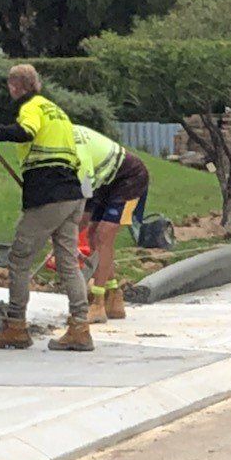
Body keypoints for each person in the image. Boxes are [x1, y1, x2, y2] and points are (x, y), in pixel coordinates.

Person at [0, 64, 93, 351]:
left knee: (19, 259)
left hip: (48, 196)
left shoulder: (30, 107)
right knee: (68, 263)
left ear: (16, 87)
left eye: (10, 86)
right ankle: (80, 326)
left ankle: (15, 326)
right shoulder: (56, 111)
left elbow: (26, 132)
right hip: (73, 195)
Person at [73, 124, 150, 324]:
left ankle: (98, 303)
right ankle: (114, 296)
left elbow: (85, 183)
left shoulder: (74, 142)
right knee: (91, 234)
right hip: (103, 181)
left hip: (129, 178)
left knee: (104, 235)